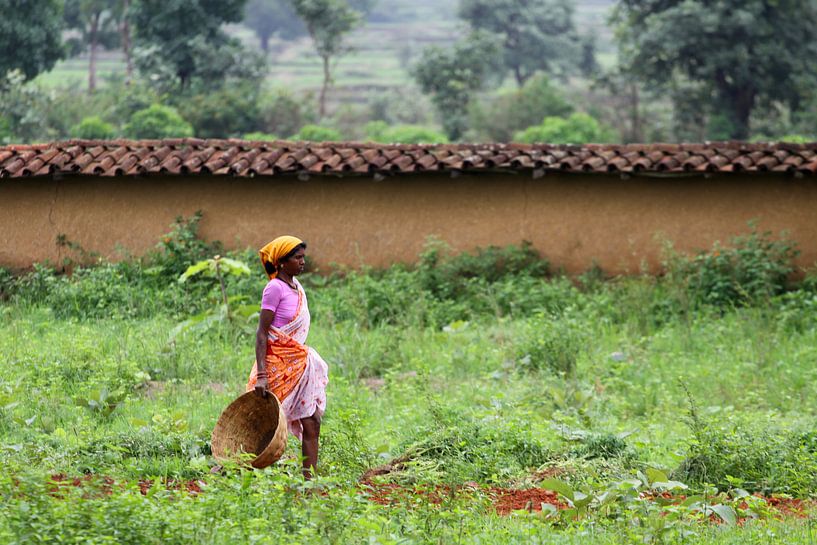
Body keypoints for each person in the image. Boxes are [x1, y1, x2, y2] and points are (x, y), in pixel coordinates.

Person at [246, 236, 329, 479]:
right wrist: (261, 375)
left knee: (312, 421)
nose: (303, 262)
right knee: (259, 428)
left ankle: (309, 483)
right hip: (275, 370)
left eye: (303, 257)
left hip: (298, 367)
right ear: (281, 262)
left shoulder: (297, 288)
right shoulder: (275, 288)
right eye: (297, 257)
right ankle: (222, 471)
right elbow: (262, 333)